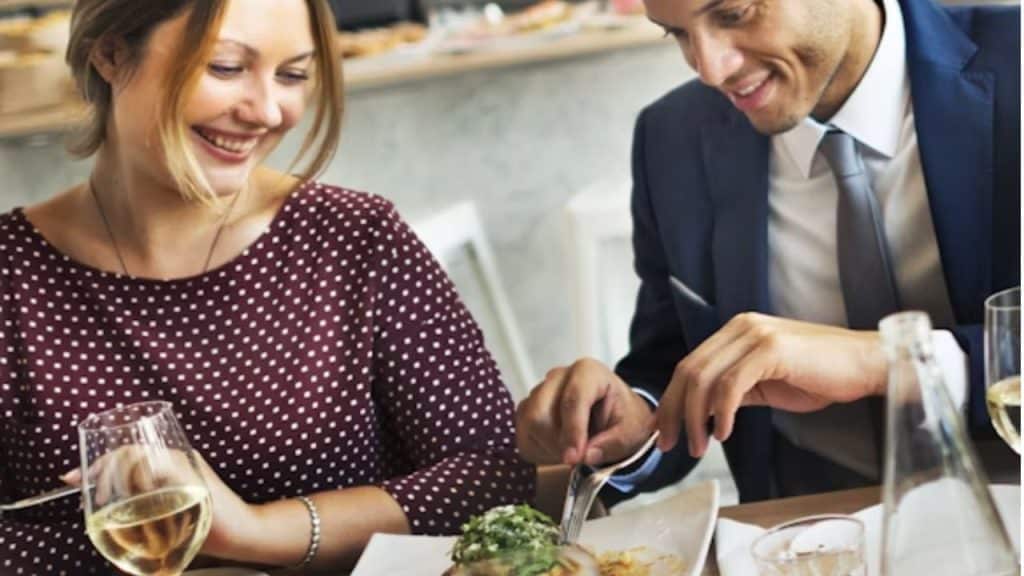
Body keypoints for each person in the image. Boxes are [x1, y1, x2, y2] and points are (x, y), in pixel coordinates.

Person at [0, 0, 533, 573]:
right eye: (226, 67)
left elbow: (491, 479)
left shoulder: (356, 240)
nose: (267, 110)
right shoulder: (12, 276)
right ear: (110, 53)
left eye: (292, 75)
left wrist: (257, 534)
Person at [516, 0, 1020, 504]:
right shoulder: (672, 138)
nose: (711, 69)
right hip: (800, 534)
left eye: (734, 14)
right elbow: (674, 362)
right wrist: (631, 421)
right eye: (678, 35)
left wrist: (884, 362)